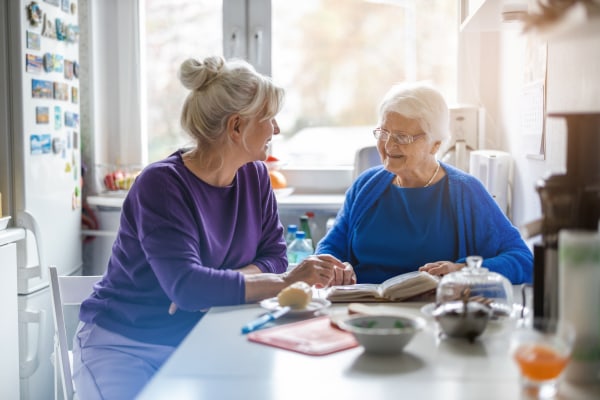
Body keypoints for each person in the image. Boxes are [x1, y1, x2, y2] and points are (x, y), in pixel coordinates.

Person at [73, 56, 355, 399]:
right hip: (126, 345)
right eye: (268, 119)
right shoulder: (161, 184)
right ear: (236, 127)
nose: (276, 130)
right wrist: (282, 283)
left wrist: (217, 283)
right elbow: (190, 289)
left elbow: (275, 255)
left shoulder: (255, 176)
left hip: (199, 338)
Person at [316, 81, 533, 285]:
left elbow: (524, 261)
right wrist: (337, 267)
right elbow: (329, 248)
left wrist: (463, 271)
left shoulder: (466, 191)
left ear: (434, 145)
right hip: (362, 311)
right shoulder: (366, 186)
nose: (388, 145)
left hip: (433, 315)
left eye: (402, 136)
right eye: (384, 132)